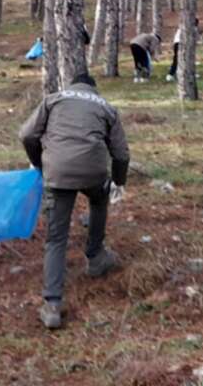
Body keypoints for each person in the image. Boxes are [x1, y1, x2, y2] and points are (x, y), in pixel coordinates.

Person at [19, 72, 130, 330]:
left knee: (56, 238)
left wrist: (39, 164)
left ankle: (52, 305)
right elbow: (121, 153)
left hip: (57, 173)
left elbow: (26, 135)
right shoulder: (106, 107)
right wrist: (119, 181)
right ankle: (95, 255)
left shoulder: (53, 100)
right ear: (93, 89)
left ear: (71, 85)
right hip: (94, 172)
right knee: (100, 200)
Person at [166, 18, 198, 82]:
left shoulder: (183, 27)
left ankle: (175, 74)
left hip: (176, 43)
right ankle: (171, 74)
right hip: (182, 43)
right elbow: (193, 38)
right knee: (184, 59)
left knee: (178, 59)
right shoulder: (192, 28)